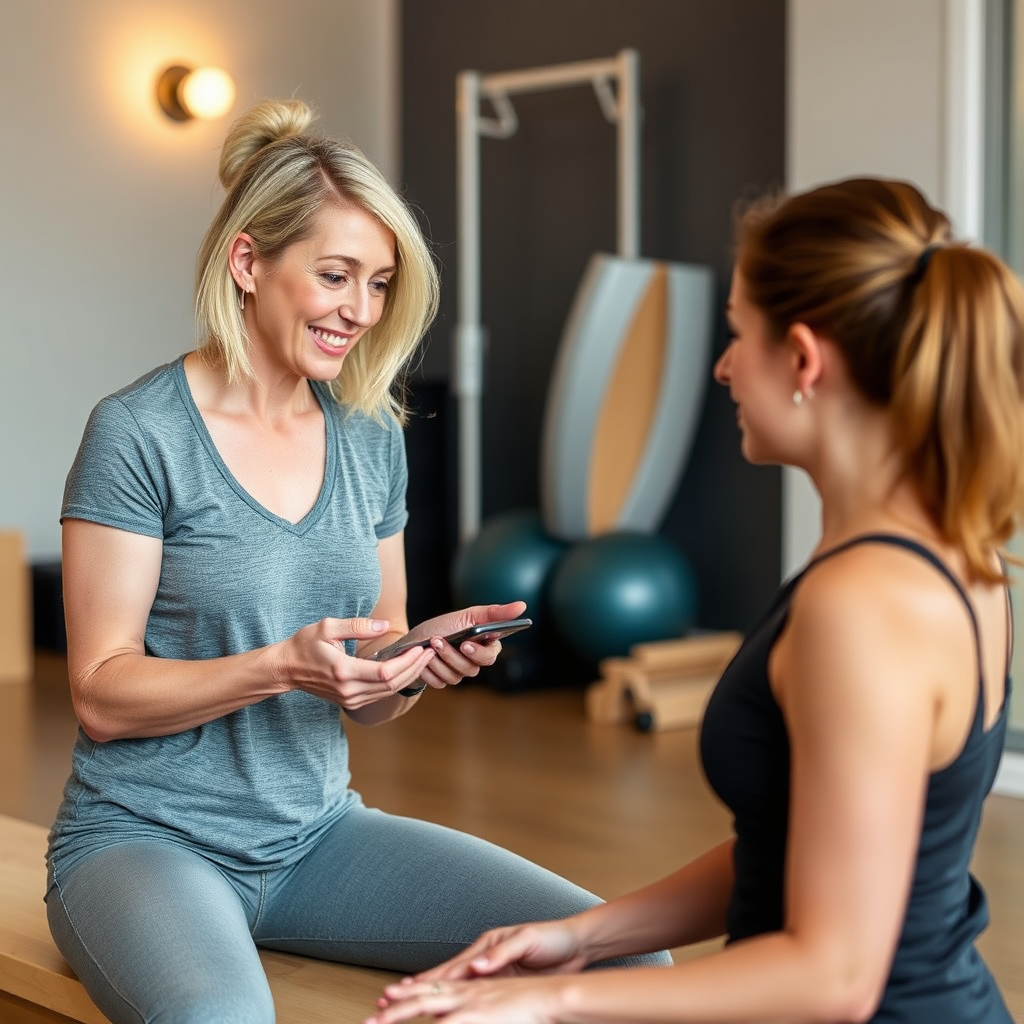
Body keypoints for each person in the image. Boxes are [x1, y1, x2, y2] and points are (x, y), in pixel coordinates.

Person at [45, 98, 669, 1024]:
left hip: (318, 838)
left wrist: (415, 664)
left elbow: (373, 692)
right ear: (248, 262)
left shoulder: (372, 437)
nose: (361, 312)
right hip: (144, 840)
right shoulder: (140, 434)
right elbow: (100, 693)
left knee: (626, 954)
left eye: (379, 284)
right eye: (336, 276)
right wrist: (279, 667)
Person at [367, 176, 1023, 1024]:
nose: (720, 367)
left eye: (737, 334)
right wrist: (581, 937)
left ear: (804, 360)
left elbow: (835, 977)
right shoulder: (953, 560)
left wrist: (549, 1003)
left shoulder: (862, 607)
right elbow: (791, 852)